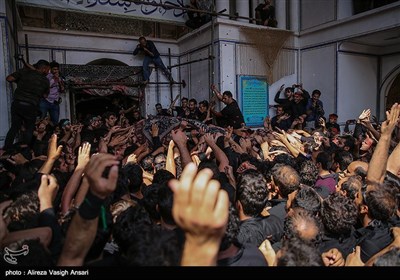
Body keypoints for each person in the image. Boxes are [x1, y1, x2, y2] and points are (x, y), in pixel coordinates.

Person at [4, 59, 50, 150]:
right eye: (48, 70)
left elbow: (9, 78)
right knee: (29, 128)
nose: (48, 72)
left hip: (18, 103)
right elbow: (45, 95)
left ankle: (7, 148)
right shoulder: (45, 80)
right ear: (44, 69)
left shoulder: (24, 72)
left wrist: (20, 82)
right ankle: (25, 149)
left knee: (14, 127)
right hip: (31, 106)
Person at [40, 61, 64, 126]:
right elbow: (47, 86)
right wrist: (54, 79)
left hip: (55, 102)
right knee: (41, 119)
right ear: (51, 69)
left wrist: (59, 82)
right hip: (45, 100)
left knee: (55, 122)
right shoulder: (47, 76)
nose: (56, 71)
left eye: (57, 69)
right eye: (54, 69)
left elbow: (62, 89)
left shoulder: (59, 77)